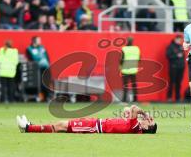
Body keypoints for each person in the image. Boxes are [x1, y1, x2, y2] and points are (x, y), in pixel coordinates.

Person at [16, 105, 157, 134]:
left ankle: (28, 128)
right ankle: (30, 126)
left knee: (60, 125)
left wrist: (144, 114)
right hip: (94, 123)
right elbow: (127, 109)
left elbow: (133, 108)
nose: (148, 119)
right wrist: (142, 116)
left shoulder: (134, 127)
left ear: (145, 127)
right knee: (60, 125)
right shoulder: (134, 125)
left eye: (150, 122)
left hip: (94, 127)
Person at [26, 36, 51, 101]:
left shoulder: (42, 48)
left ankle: (48, 97)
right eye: (39, 40)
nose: (40, 41)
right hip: (37, 69)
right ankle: (40, 97)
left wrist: (48, 63)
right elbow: (30, 58)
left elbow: (47, 56)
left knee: (47, 83)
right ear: (34, 41)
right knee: (40, 83)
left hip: (46, 68)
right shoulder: (29, 48)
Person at [120, 37, 140, 102]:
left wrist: (120, 66)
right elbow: (139, 59)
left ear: (127, 41)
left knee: (125, 86)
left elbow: (121, 59)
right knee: (134, 85)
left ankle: (124, 100)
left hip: (125, 69)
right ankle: (135, 100)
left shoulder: (124, 49)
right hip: (134, 69)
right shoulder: (136, 49)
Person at [166, 35, 185, 102]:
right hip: (173, 67)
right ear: (175, 39)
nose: (180, 41)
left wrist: (183, 65)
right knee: (172, 83)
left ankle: (178, 98)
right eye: (179, 39)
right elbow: (168, 56)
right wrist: (176, 56)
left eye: (180, 40)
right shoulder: (171, 47)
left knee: (178, 83)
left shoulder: (180, 47)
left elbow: (183, 57)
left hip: (181, 67)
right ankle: (169, 98)